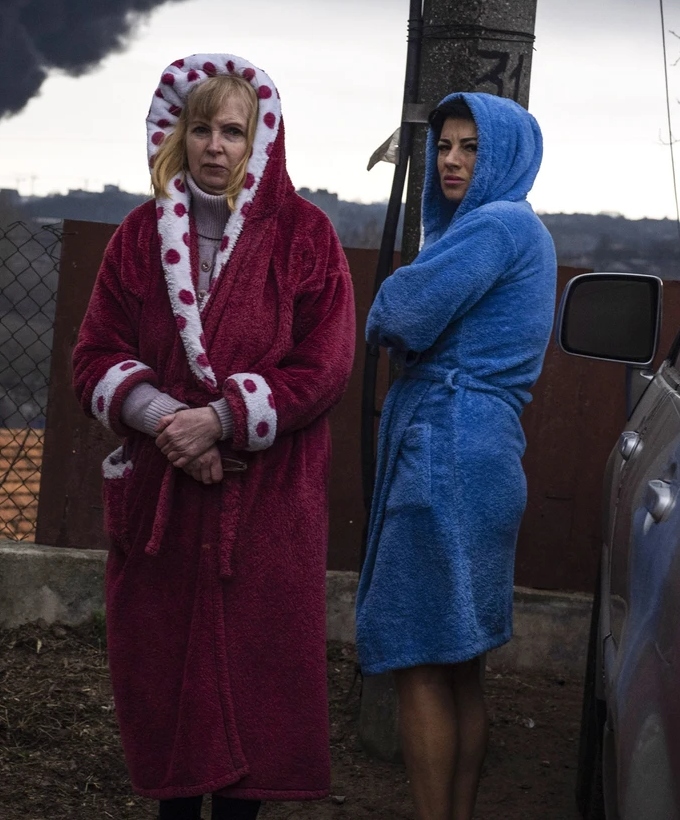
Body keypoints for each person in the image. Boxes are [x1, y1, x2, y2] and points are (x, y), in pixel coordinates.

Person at [73, 54, 356, 818]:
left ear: (261, 139)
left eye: (234, 130)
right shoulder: (137, 237)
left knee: (255, 706)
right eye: (202, 127)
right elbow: (93, 356)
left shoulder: (306, 237)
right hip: (165, 504)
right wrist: (167, 419)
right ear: (177, 133)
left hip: (265, 508)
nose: (216, 145)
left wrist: (226, 417)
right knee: (167, 698)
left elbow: (325, 365)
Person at [355, 91, 556, 820]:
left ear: (503, 155)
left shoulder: (496, 225)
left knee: (417, 660)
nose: (451, 160)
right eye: (444, 145)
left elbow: (397, 313)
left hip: (447, 449)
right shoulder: (528, 231)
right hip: (489, 450)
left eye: (471, 147)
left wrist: (387, 310)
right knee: (461, 664)